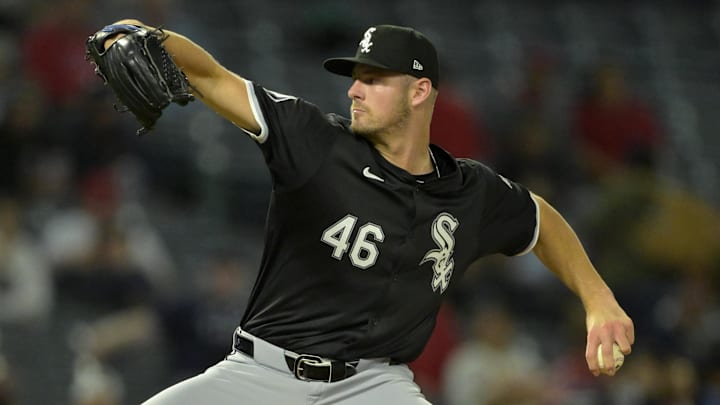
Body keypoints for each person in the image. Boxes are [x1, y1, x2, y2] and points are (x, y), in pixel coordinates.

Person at [98, 21, 635, 404]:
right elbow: (213, 77)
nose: (354, 89)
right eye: (355, 76)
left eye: (375, 79)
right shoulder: (316, 142)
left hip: (375, 386)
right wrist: (151, 36)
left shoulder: (471, 192)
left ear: (420, 91)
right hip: (261, 375)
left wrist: (598, 299)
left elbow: (540, 220)